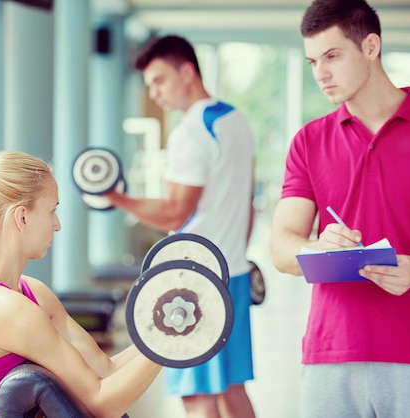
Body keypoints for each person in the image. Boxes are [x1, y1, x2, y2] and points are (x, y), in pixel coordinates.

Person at [270, 0, 410, 417]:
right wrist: (317, 248)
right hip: (330, 353)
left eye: (332, 56)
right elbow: (280, 247)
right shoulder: (308, 142)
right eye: (312, 61)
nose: (320, 74)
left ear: (370, 46)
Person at [0, 150, 163, 418]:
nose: (57, 225)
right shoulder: (0, 308)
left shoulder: (32, 293)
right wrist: (172, 344)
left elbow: (105, 370)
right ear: (22, 217)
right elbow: (101, 403)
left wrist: (160, 334)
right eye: (52, 210)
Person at [104, 35, 256, 418]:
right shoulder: (236, 122)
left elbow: (174, 213)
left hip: (195, 280)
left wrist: (116, 197)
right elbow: (247, 207)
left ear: (187, 72)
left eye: (159, 81)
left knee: (197, 395)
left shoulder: (190, 132)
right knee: (232, 389)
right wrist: (236, 252)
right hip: (232, 270)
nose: (154, 93)